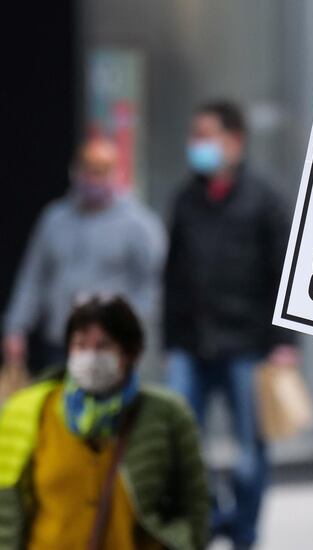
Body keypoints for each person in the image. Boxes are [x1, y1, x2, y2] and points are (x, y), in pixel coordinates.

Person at [164, 100, 296, 548]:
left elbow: (285, 273)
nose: (196, 145)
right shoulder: (185, 199)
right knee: (179, 447)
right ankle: (213, 516)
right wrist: (169, 341)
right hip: (190, 345)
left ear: (235, 140)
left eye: (205, 135)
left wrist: (283, 342)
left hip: (248, 346)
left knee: (249, 457)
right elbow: (173, 275)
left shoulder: (265, 199)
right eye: (193, 136)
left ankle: (243, 533)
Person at [0, 295, 208, 549]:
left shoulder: (167, 415)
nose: (90, 357)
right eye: (81, 346)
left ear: (130, 353)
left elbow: (195, 503)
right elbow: (7, 508)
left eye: (103, 346)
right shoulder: (29, 411)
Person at [3, 137, 166, 371]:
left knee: (109, 408)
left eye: (100, 172)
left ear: (115, 174)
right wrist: (16, 327)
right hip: (61, 342)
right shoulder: (55, 219)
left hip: (110, 346)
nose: (93, 179)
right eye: (88, 170)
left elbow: (153, 284)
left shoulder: (139, 225)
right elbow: (33, 277)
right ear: (76, 171)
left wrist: (127, 325)